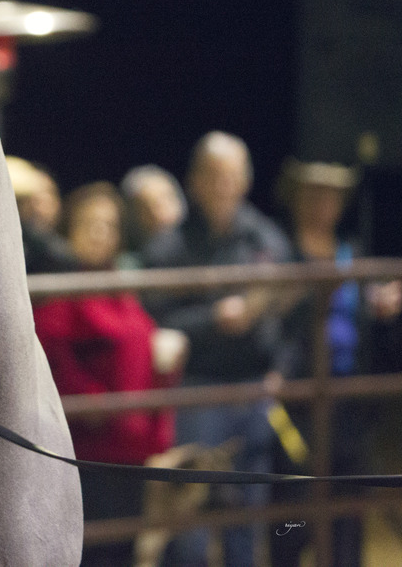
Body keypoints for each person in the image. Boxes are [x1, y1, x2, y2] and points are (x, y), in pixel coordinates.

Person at [142, 131, 293, 567]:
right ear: (194, 181)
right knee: (190, 513)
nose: (223, 183)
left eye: (232, 174)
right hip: (196, 388)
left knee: (247, 510)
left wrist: (279, 369)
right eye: (213, 174)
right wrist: (214, 319)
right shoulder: (168, 246)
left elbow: (291, 317)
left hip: (253, 387)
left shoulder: (268, 240)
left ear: (245, 180)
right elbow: (152, 320)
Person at [32, 181, 186, 567]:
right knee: (93, 551)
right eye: (89, 223)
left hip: (130, 454)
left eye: (109, 225)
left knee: (123, 550)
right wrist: (98, 405)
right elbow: (51, 361)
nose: (100, 232)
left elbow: (148, 358)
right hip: (89, 454)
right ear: (70, 230)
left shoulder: (122, 290)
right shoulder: (61, 294)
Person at [271, 157, 401, 566]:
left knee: (348, 499)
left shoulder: (351, 252)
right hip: (296, 399)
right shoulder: (278, 250)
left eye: (331, 196)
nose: (323, 204)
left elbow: (361, 316)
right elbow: (275, 319)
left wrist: (377, 303)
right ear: (296, 199)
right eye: (313, 194)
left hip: (349, 395)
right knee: (294, 504)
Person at [5, 155, 73, 273]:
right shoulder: (6, 242)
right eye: (26, 199)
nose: (37, 206)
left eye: (47, 196)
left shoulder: (61, 254)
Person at [120, 164, 186, 267]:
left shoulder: (201, 245)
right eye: (146, 207)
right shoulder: (127, 263)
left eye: (165, 201)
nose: (157, 213)